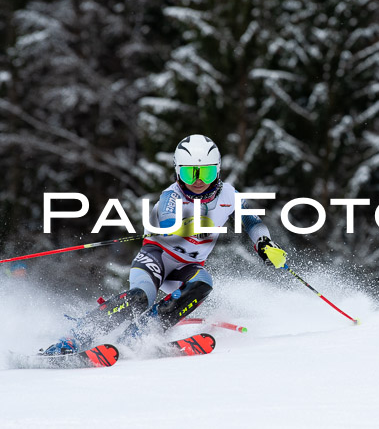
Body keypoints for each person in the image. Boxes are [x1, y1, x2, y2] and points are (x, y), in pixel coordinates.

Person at [42, 134, 286, 355]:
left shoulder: (229, 196)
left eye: (207, 173)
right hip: (156, 258)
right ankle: (75, 338)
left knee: (203, 284)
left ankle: (140, 335)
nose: (198, 181)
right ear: (178, 171)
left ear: (218, 171)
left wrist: (264, 244)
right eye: (191, 173)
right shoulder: (171, 196)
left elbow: (253, 222)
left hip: (187, 266)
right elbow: (170, 222)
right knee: (140, 298)